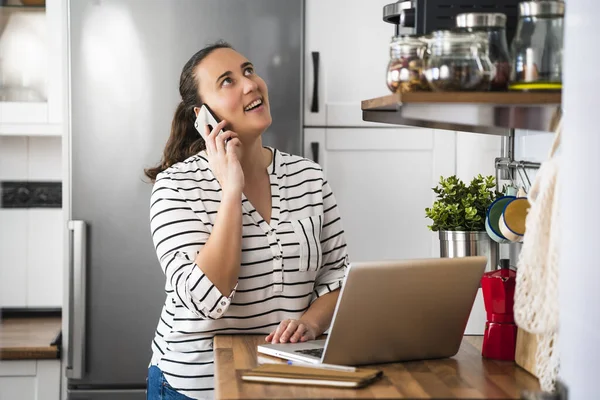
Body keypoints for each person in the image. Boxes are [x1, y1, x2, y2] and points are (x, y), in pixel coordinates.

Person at [144, 41, 349, 400]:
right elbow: (205, 297)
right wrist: (231, 190)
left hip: (284, 381)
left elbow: (338, 277)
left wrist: (311, 323)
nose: (250, 83)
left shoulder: (310, 178)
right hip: (197, 387)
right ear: (202, 115)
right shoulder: (176, 187)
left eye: (249, 71)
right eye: (227, 81)